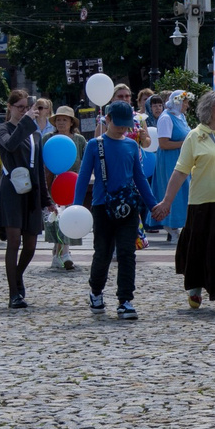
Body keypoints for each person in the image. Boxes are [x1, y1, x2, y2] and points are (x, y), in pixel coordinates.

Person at [157, 87, 215, 312]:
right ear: (209, 109)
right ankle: (195, 288)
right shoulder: (195, 135)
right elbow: (180, 171)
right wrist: (167, 201)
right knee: (200, 249)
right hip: (202, 203)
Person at [80, 100, 158, 320]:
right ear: (107, 119)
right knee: (103, 253)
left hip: (128, 207)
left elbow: (139, 178)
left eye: (126, 125)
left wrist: (153, 205)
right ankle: (96, 291)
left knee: (126, 253)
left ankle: (125, 300)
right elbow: (84, 176)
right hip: (102, 206)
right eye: (118, 124)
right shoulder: (94, 145)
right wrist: (76, 205)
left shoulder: (132, 145)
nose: (122, 129)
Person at [0, 90, 47, 308]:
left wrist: (46, 199)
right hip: (11, 190)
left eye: (27, 107)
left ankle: (17, 276)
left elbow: (39, 168)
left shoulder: (35, 134)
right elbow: (10, 145)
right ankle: (13, 293)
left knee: (31, 245)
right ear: (10, 107)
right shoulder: (2, 129)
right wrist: (25, 122)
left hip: (31, 190)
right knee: (14, 240)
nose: (24, 111)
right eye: (20, 107)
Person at [42, 107, 83, 272]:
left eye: (64, 120)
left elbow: (86, 160)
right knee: (56, 218)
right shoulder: (48, 138)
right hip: (53, 185)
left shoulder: (79, 140)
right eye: (58, 120)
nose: (61, 123)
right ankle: (63, 254)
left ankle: (60, 253)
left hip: (72, 184)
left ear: (71, 122)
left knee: (68, 218)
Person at [151, 91, 190, 243]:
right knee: (172, 191)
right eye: (185, 102)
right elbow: (163, 143)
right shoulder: (166, 118)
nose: (187, 105)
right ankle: (171, 227)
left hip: (181, 158)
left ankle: (182, 224)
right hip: (170, 160)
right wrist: (185, 143)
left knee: (184, 192)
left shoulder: (181, 116)